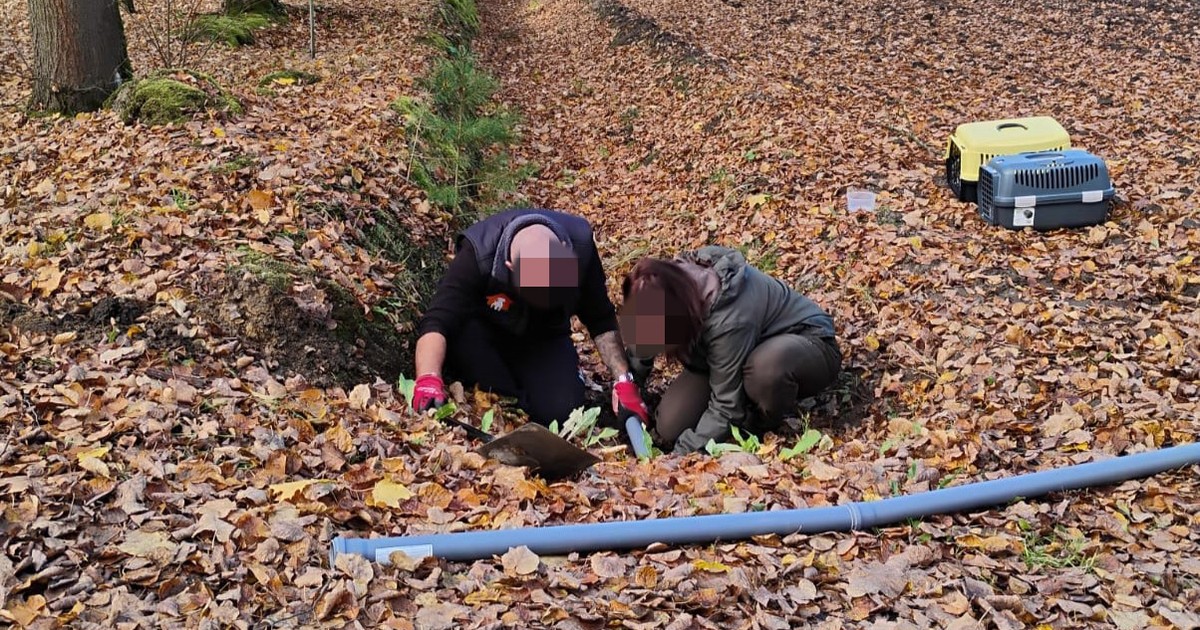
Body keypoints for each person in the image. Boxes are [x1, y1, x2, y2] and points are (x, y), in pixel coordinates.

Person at [409, 207, 650, 428]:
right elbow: (438, 320)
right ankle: (510, 394)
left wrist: (623, 379)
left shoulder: (581, 248)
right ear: (510, 266)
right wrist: (428, 377)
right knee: (502, 399)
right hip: (485, 336)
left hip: (544, 336)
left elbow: (600, 319)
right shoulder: (479, 252)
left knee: (563, 410)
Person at [618, 246, 841, 455]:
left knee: (765, 369)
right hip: (722, 355)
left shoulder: (728, 319)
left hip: (807, 343)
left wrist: (679, 458)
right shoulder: (663, 286)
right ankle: (740, 392)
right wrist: (629, 383)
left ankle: (755, 422)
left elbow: (725, 407)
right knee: (669, 426)